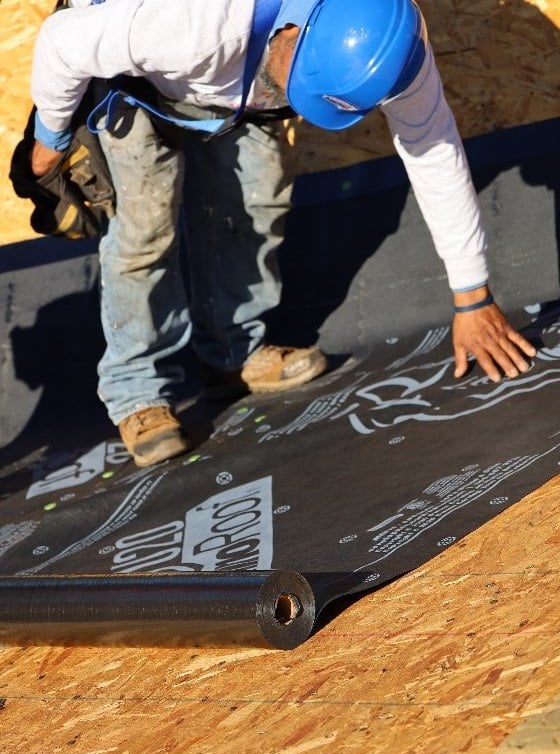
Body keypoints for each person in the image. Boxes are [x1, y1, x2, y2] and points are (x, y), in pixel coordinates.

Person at [29, 0, 536, 467]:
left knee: (258, 197)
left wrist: (472, 296)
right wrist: (50, 140)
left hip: (237, 77)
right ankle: (138, 391)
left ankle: (232, 351)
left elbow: (433, 151)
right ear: (291, 31)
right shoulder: (193, 22)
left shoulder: (392, 41)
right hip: (137, 78)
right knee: (146, 227)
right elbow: (61, 41)